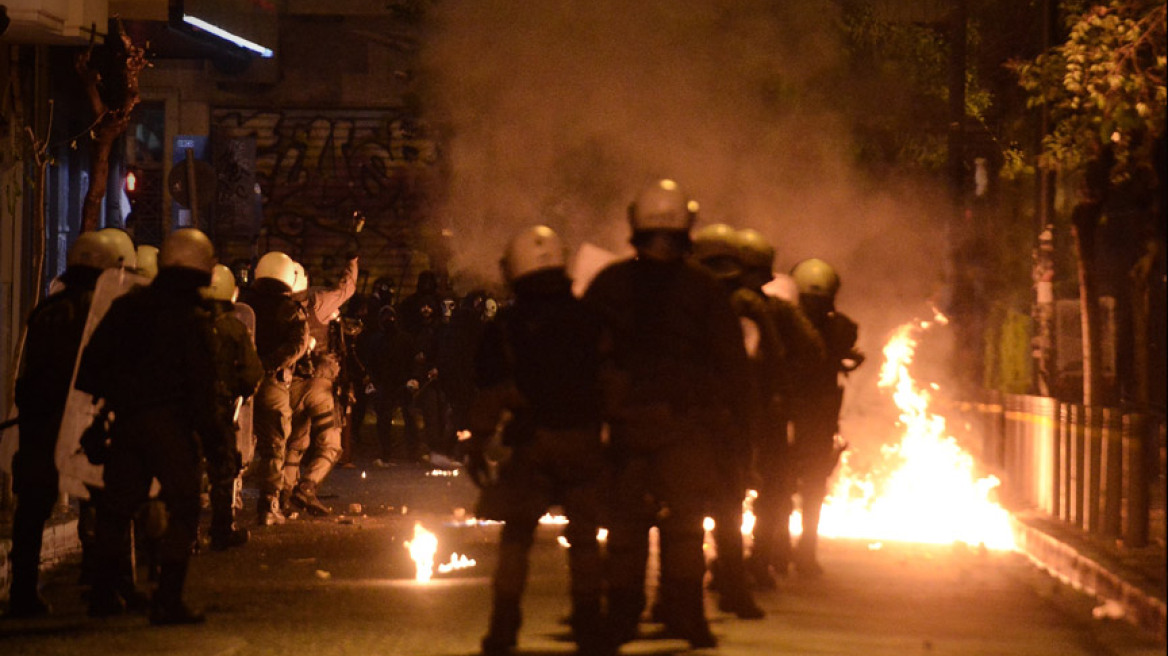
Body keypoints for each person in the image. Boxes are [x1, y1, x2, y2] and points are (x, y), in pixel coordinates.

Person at [582, 179, 752, 649]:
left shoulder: (610, 284)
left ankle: (622, 616)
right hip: (687, 429)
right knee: (684, 527)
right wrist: (738, 432)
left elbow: (580, 359)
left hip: (629, 426)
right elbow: (733, 367)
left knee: (627, 526)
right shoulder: (704, 290)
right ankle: (686, 614)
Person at [467, 225, 610, 656]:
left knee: (517, 536)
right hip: (584, 440)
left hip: (532, 443)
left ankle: (504, 627)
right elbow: (612, 380)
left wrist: (477, 442)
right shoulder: (591, 318)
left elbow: (492, 390)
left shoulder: (507, 325)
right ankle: (590, 624)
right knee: (585, 538)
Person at [74, 228, 223, 625]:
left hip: (126, 423)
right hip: (171, 427)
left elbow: (90, 369)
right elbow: (203, 389)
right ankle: (167, 600)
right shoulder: (192, 318)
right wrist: (217, 446)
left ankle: (103, 595)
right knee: (184, 506)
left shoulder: (128, 307)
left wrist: (120, 397)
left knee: (116, 508)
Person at [6, 232, 117, 618]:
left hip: (40, 421)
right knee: (102, 498)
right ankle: (103, 589)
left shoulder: (46, 309)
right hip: (83, 420)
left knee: (32, 509)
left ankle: (22, 592)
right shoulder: (99, 312)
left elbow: (29, 373)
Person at [734, 230, 827, 587]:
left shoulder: (716, 303)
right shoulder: (779, 310)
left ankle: (734, 564)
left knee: (732, 489)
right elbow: (814, 350)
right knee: (772, 488)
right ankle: (758, 559)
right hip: (764, 411)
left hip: (735, 412)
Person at [687, 223, 767, 620]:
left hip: (696, 420)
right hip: (717, 421)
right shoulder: (743, 309)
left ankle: (682, 596)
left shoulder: (684, 304)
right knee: (724, 509)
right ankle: (731, 589)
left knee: (688, 513)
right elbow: (752, 372)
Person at [787, 257, 864, 578]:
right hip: (815, 416)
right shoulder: (840, 328)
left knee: (780, 482)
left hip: (788, 412)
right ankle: (804, 552)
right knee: (812, 485)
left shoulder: (785, 323)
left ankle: (776, 549)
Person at [280, 256, 358, 516]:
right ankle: (307, 488)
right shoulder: (318, 303)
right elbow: (347, 289)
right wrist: (352, 262)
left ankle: (284, 494)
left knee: (295, 443)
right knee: (331, 444)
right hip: (319, 385)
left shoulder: (275, 311)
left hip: (289, 387)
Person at [239, 251, 311, 526]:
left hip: (239, 380)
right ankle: (268, 505)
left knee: (234, 437)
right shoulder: (290, 309)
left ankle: (228, 495)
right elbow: (297, 345)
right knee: (274, 445)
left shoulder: (243, 302)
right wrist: (267, 365)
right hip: (272, 384)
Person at [202, 264, 263, 549]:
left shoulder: (184, 323)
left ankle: (182, 534)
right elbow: (252, 374)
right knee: (223, 469)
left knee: (183, 469)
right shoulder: (235, 328)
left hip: (180, 408)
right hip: (217, 409)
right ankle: (221, 530)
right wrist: (238, 390)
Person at [364, 305, 417, 465]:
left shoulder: (405, 339)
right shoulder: (376, 340)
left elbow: (411, 360)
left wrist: (412, 379)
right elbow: (371, 363)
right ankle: (386, 453)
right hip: (384, 385)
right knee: (384, 419)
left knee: (408, 417)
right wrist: (372, 381)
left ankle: (412, 453)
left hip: (401, 383)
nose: (389, 320)